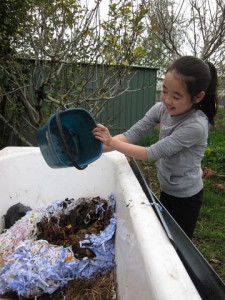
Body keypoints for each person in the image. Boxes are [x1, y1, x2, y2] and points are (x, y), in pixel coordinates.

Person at [92, 56, 218, 239]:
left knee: (179, 244)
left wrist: (111, 141)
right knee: (164, 235)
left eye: (176, 96)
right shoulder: (162, 109)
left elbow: (150, 154)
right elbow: (131, 135)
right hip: (167, 186)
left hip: (186, 196)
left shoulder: (195, 126)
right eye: (165, 91)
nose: (167, 100)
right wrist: (98, 148)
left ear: (198, 97)